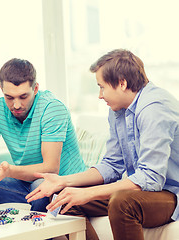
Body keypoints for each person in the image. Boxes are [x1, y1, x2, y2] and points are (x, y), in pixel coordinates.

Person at [26, 49, 179, 240]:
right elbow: (111, 165)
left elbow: (150, 179)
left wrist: (89, 194)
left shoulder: (155, 108)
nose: (100, 95)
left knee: (122, 201)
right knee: (64, 199)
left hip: (171, 193)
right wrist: (64, 181)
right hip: (144, 191)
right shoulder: (118, 110)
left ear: (122, 83)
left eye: (102, 87)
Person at [0, 58, 86, 212]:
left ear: (35, 89)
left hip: (61, 183)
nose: (16, 105)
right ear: (1, 89)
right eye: (9, 97)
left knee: (40, 188)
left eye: (23, 97)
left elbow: (50, 168)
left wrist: (9, 171)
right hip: (25, 184)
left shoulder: (52, 108)